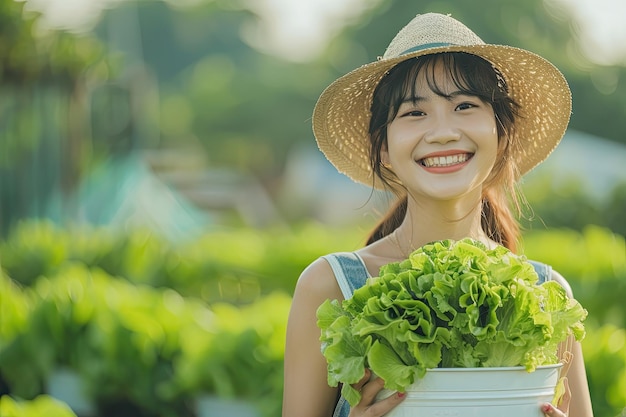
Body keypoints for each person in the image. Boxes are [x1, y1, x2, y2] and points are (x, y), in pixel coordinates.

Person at [282, 12, 593, 417]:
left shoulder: (546, 295)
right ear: (383, 150)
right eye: (414, 113)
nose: (443, 131)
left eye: (465, 105)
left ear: (501, 135)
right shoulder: (331, 287)